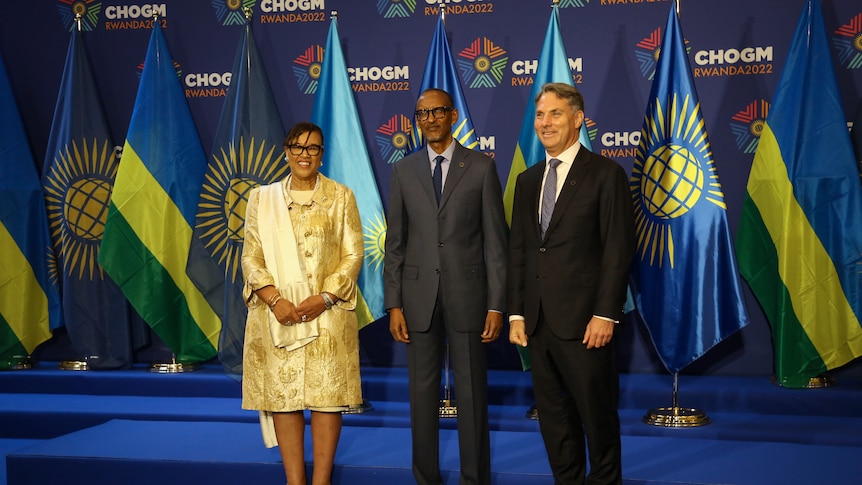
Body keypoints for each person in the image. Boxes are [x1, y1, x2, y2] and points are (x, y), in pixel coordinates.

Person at [507, 83, 635, 485]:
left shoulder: (605, 174)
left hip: (586, 326)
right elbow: (520, 253)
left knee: (597, 419)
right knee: (553, 420)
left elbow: (618, 250)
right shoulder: (528, 181)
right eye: (540, 115)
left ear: (578, 119)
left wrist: (605, 313)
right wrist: (515, 313)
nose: (545, 123)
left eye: (555, 114)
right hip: (538, 324)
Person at [384, 88, 508, 485]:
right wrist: (394, 304)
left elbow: (496, 242)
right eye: (423, 114)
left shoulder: (481, 167)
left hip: (470, 297)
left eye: (438, 111)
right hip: (417, 300)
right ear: (417, 121)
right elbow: (396, 244)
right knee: (422, 400)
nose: (431, 119)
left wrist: (496, 305)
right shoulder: (403, 171)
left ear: (453, 115)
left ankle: (475, 480)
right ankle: (426, 478)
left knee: (472, 396)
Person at [241, 121, 364, 485]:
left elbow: (353, 255)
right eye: (297, 147)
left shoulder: (342, 196)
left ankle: (321, 481)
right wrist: (275, 300)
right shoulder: (262, 200)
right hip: (278, 316)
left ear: (322, 156)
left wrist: (325, 297)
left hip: (327, 315)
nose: (304, 155)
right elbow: (251, 258)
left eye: (312, 148)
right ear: (286, 152)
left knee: (328, 398)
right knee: (285, 398)